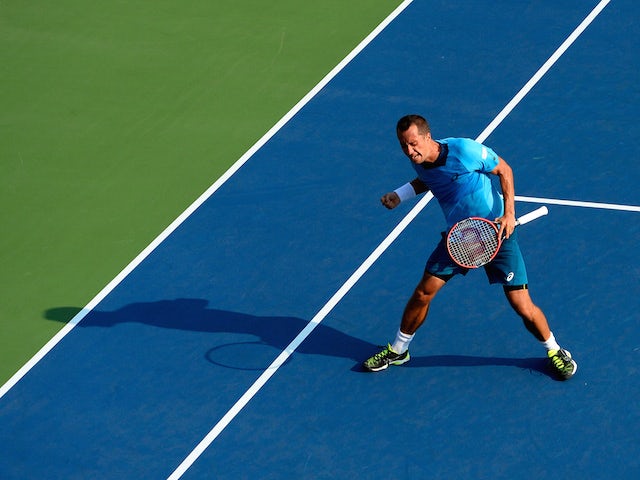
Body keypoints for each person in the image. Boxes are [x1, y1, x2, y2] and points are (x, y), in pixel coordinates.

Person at [362, 114, 577, 380]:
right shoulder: (419, 160)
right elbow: (428, 179)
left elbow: (504, 170)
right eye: (403, 145)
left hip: (498, 234)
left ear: (428, 137)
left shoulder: (464, 150)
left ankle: (555, 350)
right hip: (461, 238)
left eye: (414, 143)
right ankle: (398, 350)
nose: (409, 151)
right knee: (423, 293)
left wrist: (509, 214)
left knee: (521, 304)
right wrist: (400, 194)